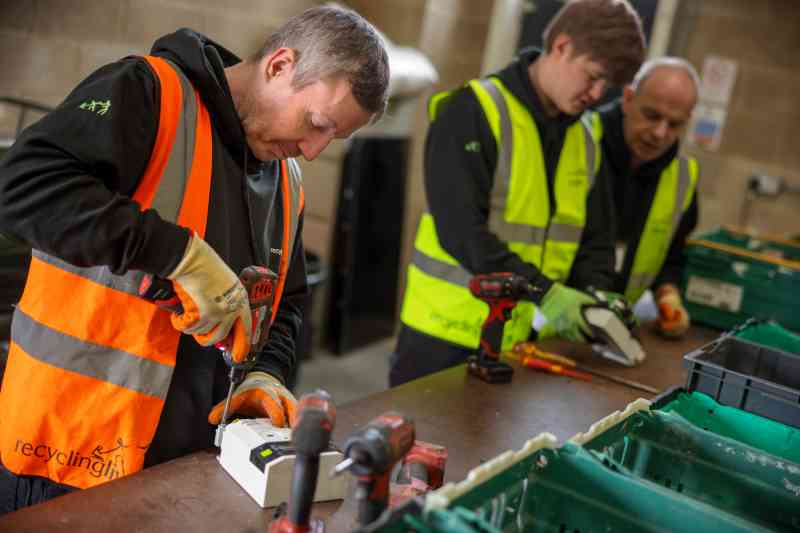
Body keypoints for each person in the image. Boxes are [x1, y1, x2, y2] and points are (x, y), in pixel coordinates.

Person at [0, 5, 388, 511]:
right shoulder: (149, 92)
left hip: (189, 467)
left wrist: (264, 372)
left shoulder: (286, 180)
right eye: (316, 122)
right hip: (65, 456)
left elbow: (287, 302)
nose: (313, 151)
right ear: (279, 65)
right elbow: (22, 188)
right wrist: (178, 255)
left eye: (331, 137)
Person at [390, 0, 645, 386]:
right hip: (445, 338)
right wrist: (548, 294)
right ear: (561, 47)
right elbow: (461, 231)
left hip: (528, 344)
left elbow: (597, 240)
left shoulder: (587, 138)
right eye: (593, 76)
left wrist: (596, 295)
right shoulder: (471, 111)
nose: (596, 94)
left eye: (606, 85)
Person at [599, 57, 700, 338]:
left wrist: (668, 297)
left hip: (614, 329)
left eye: (674, 124)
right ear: (628, 98)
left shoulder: (683, 177)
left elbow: (671, 254)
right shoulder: (579, 144)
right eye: (652, 116)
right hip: (544, 322)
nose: (659, 133)